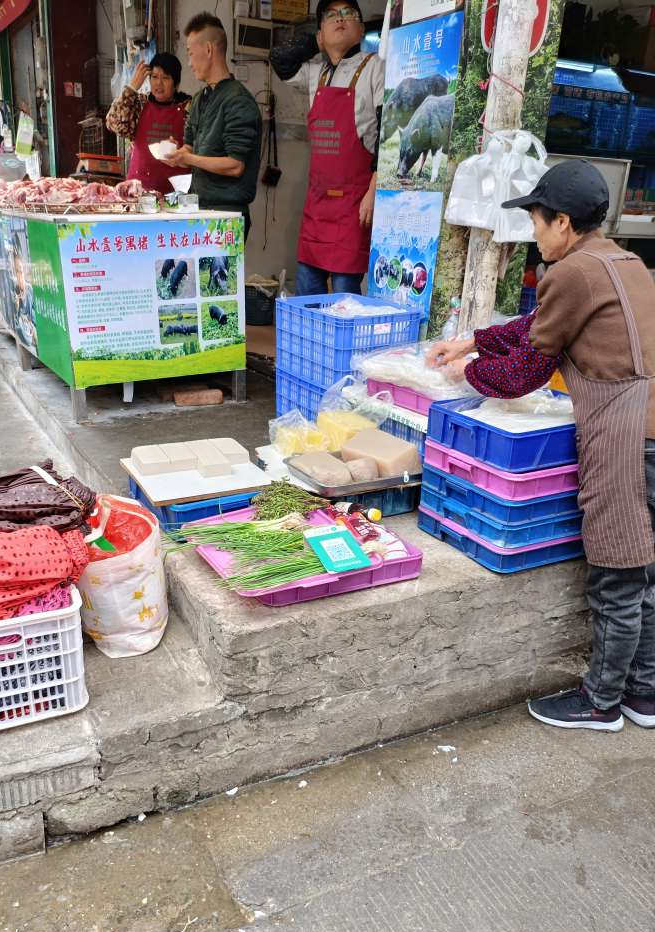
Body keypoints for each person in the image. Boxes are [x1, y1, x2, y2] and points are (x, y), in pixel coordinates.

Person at [430, 160, 655, 733]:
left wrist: (466, 374)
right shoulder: (624, 262)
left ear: (562, 222)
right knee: (646, 575)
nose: (533, 234)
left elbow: (522, 374)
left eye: (535, 220)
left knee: (617, 575)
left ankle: (600, 702)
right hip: (650, 431)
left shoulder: (571, 271)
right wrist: (471, 341)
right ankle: (645, 694)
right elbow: (538, 326)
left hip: (626, 434)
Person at [269, 0, 383, 296]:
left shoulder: (374, 67)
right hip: (317, 205)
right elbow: (279, 58)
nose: (340, 19)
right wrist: (314, 42)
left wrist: (373, 191)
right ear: (320, 32)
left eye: (348, 14)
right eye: (331, 15)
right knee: (307, 293)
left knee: (345, 298)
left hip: (354, 204)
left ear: (361, 29)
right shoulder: (315, 71)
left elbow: (387, 135)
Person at [161, 13, 261, 239]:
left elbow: (235, 165)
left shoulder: (238, 101)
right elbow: (190, 147)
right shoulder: (199, 98)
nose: (189, 63)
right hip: (200, 208)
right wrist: (177, 154)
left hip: (227, 216)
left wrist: (189, 158)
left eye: (190, 53)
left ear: (208, 50)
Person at [106, 52, 190, 195]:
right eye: (154, 77)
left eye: (165, 78)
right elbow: (113, 123)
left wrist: (182, 150)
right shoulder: (139, 104)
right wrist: (132, 88)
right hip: (138, 192)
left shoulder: (189, 107)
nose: (158, 83)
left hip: (176, 195)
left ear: (176, 83)